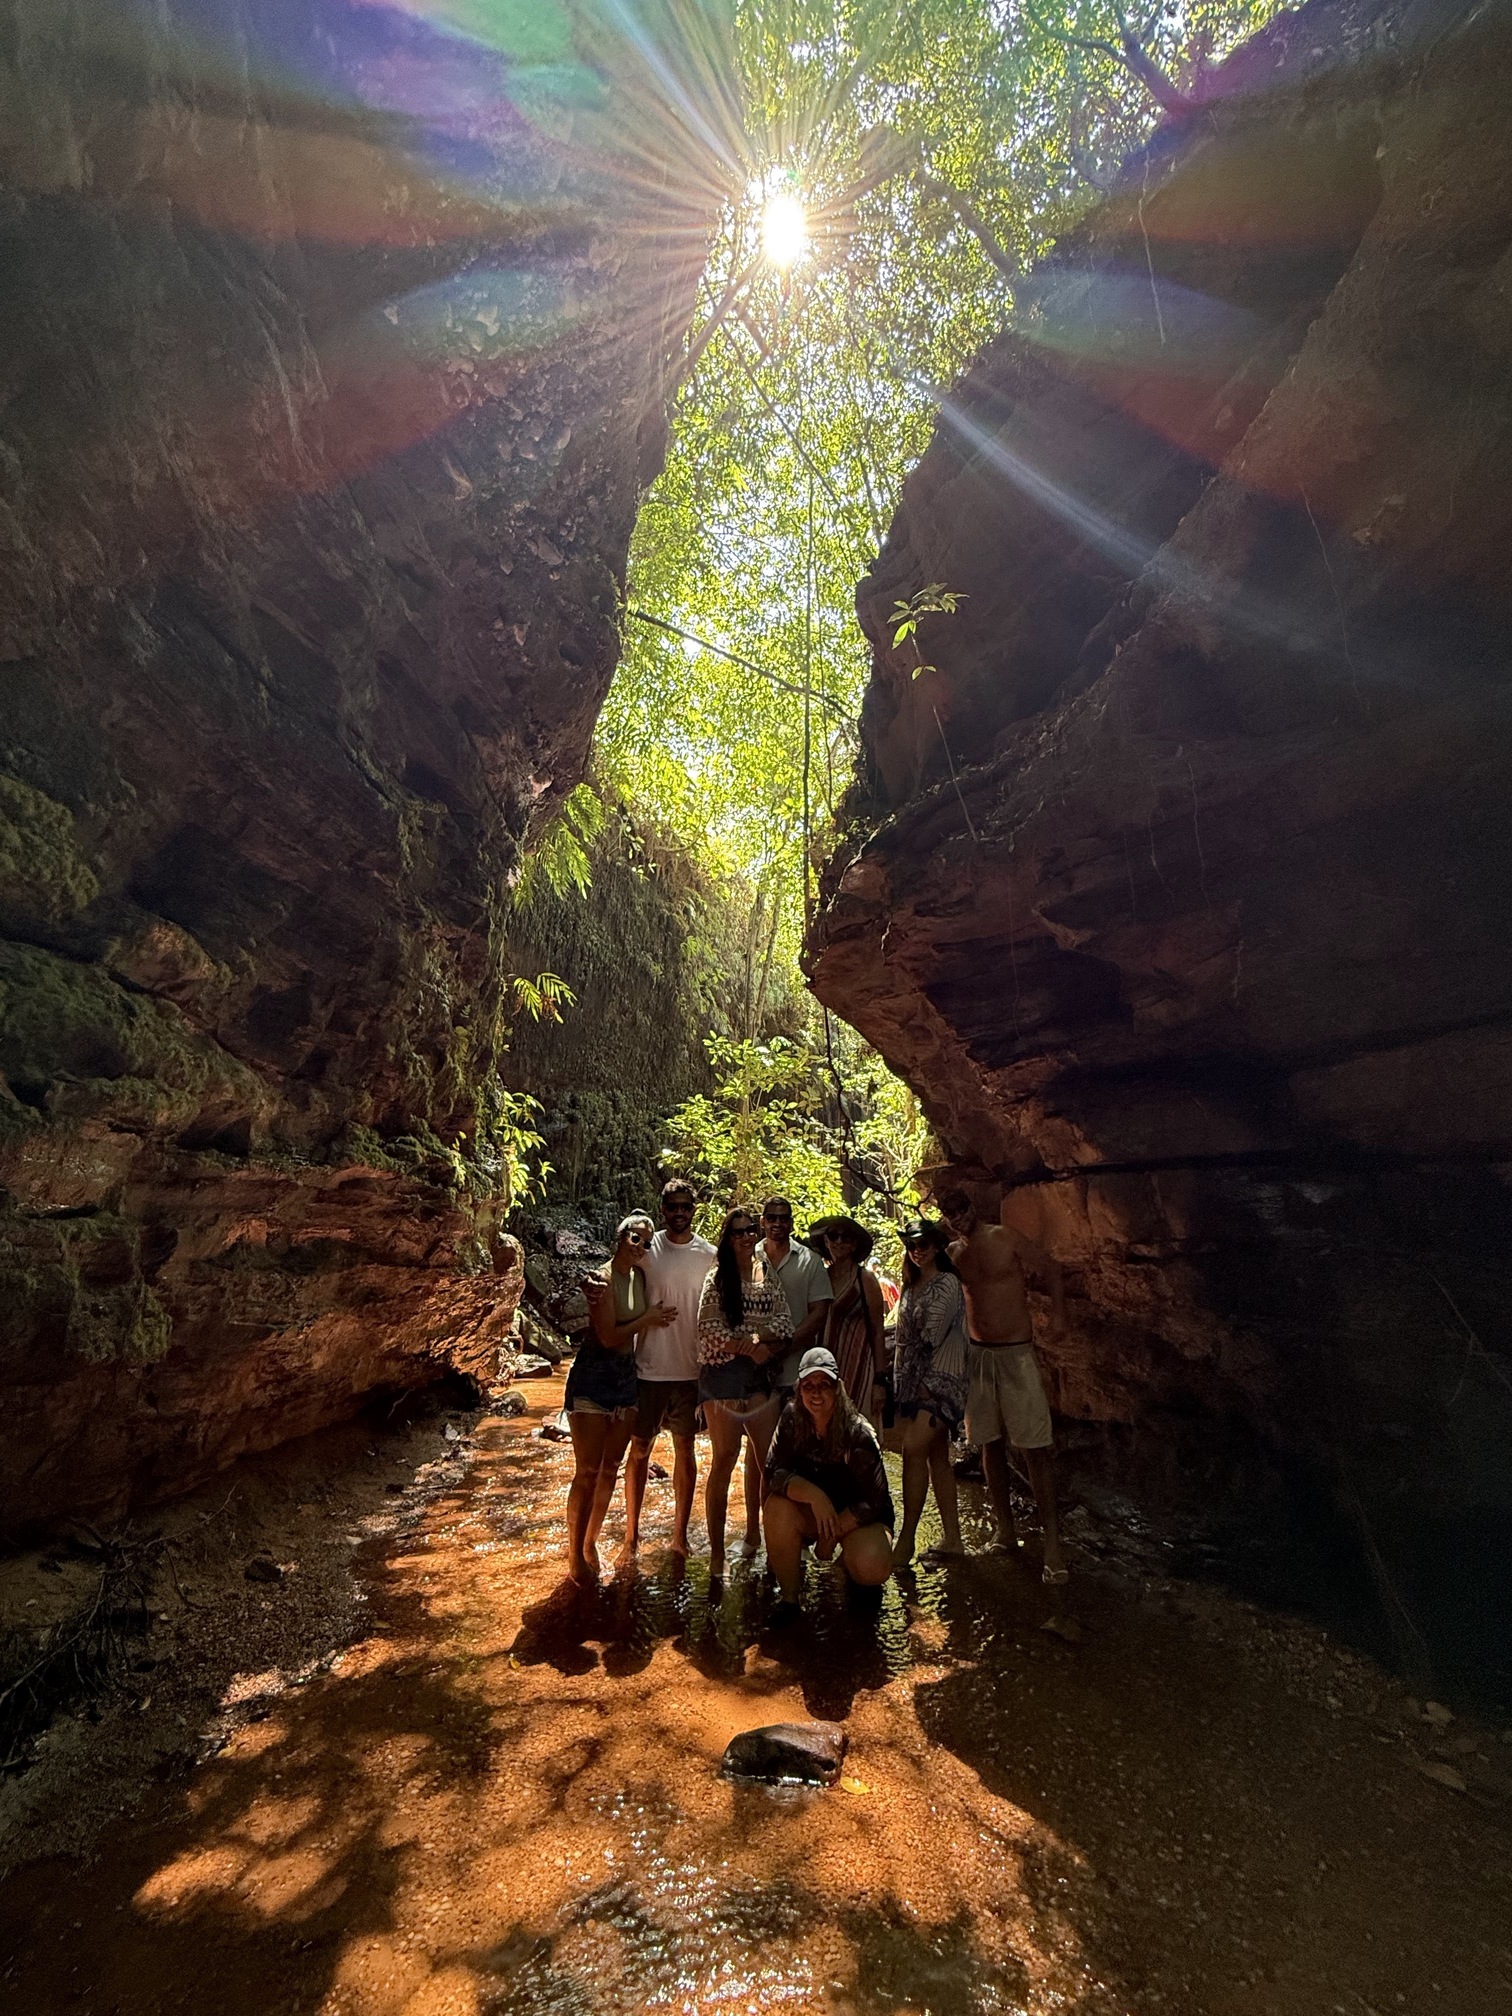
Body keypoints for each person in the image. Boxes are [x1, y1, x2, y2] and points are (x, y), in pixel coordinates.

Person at [937, 1183, 1068, 1583]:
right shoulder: (952, 1256)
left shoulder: (1003, 1236)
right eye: (950, 1212)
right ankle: (1006, 1531)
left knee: (1034, 1446)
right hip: (978, 1356)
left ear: (972, 1207)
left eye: (961, 1208)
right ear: (945, 1218)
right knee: (989, 1444)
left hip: (1016, 1353)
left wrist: (1060, 1315)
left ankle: (1052, 1544)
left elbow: (1049, 1266)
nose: (958, 1217)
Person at [562, 1214, 675, 1585]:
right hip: (594, 1376)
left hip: (627, 1377)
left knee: (611, 1465)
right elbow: (609, 1336)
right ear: (619, 1236)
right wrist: (649, 1318)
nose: (639, 1245)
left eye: (645, 1241)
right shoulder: (602, 1279)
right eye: (633, 1237)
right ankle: (574, 1556)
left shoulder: (640, 1276)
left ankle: (590, 1542)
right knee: (588, 1470)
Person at [762, 1346, 895, 1621]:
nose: (816, 1393)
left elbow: (875, 1501)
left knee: (872, 1565)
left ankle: (849, 1567)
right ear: (799, 1389)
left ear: (837, 1389)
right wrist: (814, 1495)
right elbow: (773, 1471)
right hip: (812, 1513)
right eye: (809, 1385)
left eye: (824, 1385)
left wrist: (832, 1534)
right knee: (775, 1508)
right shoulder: (789, 1419)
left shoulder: (858, 1434)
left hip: (858, 1520)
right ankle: (789, 1600)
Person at [621, 1177, 714, 1565]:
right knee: (639, 1449)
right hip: (648, 1368)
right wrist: (643, 1317)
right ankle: (631, 1533)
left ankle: (679, 1534)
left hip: (691, 1370)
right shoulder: (647, 1248)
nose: (679, 1213)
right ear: (662, 1210)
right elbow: (619, 1271)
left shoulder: (709, 1254)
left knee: (685, 1451)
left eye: (685, 1207)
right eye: (672, 1207)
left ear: (694, 1210)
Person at [696, 1208, 792, 1579]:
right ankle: (718, 1554)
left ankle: (768, 1540)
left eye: (750, 1229)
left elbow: (784, 1322)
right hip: (721, 1377)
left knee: (768, 1460)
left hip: (758, 1376)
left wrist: (751, 1340)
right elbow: (709, 1330)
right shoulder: (717, 1278)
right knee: (724, 1458)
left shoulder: (766, 1273)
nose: (745, 1236)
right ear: (727, 1236)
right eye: (737, 1231)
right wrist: (753, 1345)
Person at [737, 1196, 832, 1557]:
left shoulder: (808, 1262)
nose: (778, 1223)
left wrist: (786, 1345)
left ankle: (798, 1534)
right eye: (771, 1217)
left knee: (798, 1453)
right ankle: (752, 1534)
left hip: (796, 1374)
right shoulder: (747, 1256)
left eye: (784, 1218)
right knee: (754, 1454)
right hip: (754, 1372)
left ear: (792, 1222)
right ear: (762, 1222)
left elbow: (819, 1312)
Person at [890, 1216, 968, 1568]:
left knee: (913, 1449)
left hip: (943, 1380)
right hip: (915, 1383)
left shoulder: (948, 1283)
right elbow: (903, 1342)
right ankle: (953, 1538)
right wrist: (899, 1385)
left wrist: (916, 1380)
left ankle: (906, 1539)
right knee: (938, 1458)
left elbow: (929, 1336)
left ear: (937, 1245)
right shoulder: (911, 1285)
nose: (916, 1250)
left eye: (922, 1244)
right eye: (911, 1245)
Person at [813, 1215, 887, 1419]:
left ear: (854, 1245)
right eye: (833, 1236)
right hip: (824, 1366)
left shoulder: (865, 1279)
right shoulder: (820, 1277)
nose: (838, 1242)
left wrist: (879, 1380)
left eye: (845, 1237)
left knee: (856, 1433)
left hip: (859, 1366)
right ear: (826, 1241)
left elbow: (877, 1331)